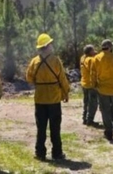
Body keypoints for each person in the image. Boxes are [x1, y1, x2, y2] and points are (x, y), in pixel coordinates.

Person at [26, 33, 71, 161]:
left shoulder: (34, 61)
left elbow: (28, 78)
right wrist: (66, 93)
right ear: (47, 46)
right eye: (50, 43)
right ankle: (57, 153)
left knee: (41, 128)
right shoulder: (55, 60)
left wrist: (39, 81)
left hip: (40, 98)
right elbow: (62, 78)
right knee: (55, 128)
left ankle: (40, 153)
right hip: (54, 98)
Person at [91, 39, 113, 141]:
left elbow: (93, 74)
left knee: (105, 111)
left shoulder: (97, 58)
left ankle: (109, 133)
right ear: (110, 47)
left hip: (102, 90)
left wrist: (94, 85)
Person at [80, 44, 99, 126]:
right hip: (91, 84)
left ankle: (84, 118)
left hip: (84, 83)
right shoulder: (91, 60)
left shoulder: (82, 58)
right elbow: (93, 71)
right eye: (93, 50)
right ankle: (90, 120)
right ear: (90, 51)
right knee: (93, 104)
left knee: (86, 102)